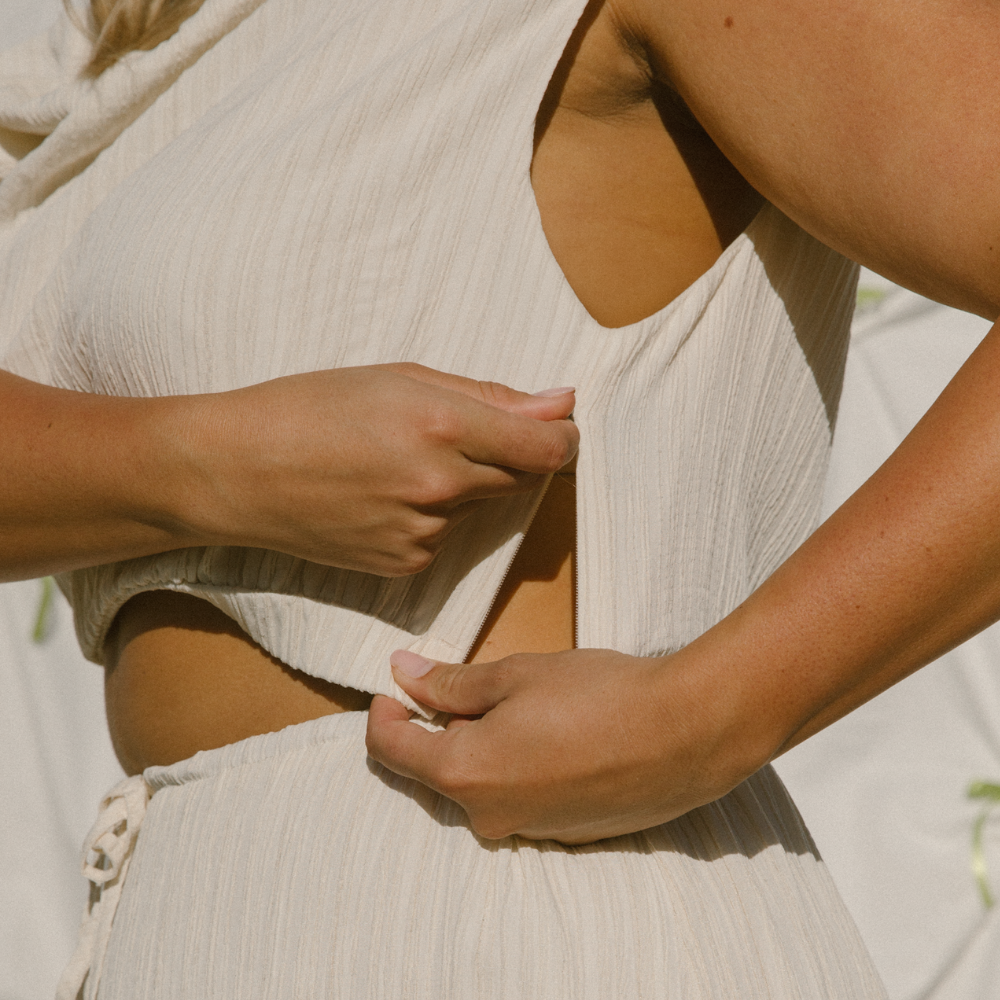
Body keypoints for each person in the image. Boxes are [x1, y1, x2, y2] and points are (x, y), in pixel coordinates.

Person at [2, 0, 998, 995]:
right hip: (187, 914)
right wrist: (211, 463)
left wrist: (707, 715)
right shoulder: (131, 57)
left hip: (516, 901)